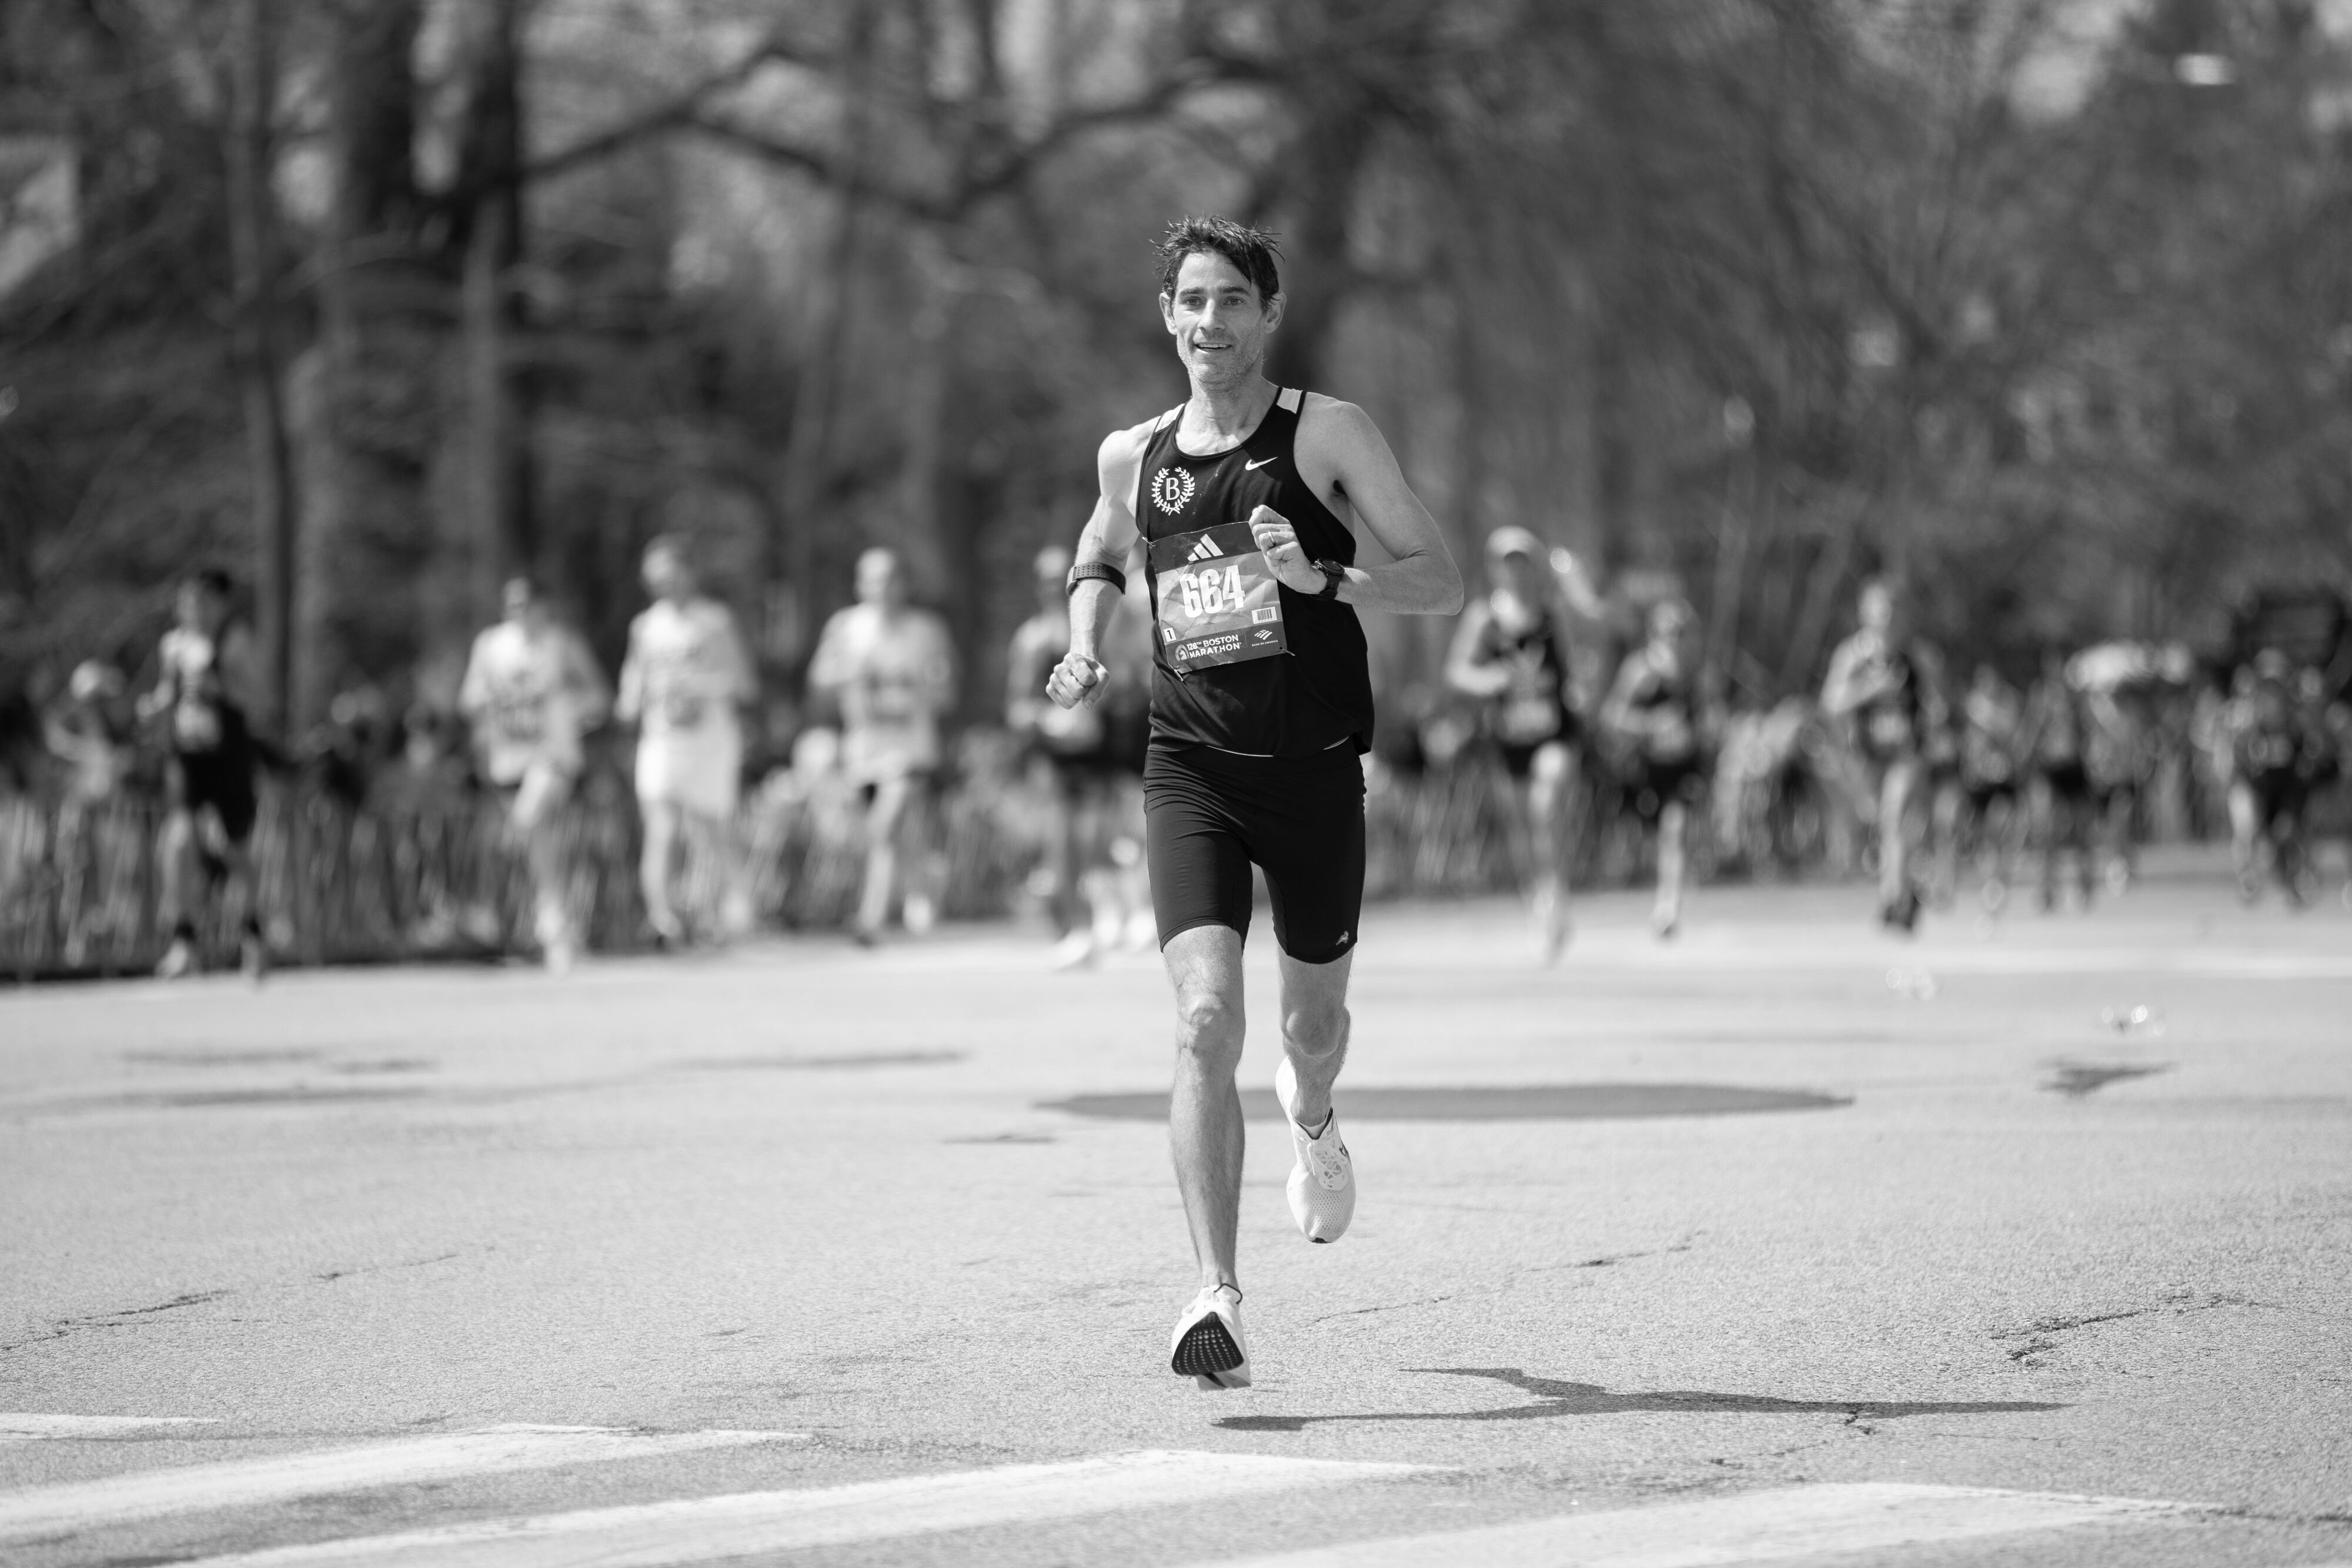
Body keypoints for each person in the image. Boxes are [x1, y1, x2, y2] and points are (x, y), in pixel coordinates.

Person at [1044, 216, 1462, 1391]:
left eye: (1233, 299)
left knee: (1308, 1032)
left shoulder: (1326, 433)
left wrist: (1323, 575)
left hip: (1313, 769)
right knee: (1201, 1020)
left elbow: (1440, 580)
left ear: (1267, 313)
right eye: (1192, 299)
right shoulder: (1133, 454)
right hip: (1190, 767)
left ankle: (1314, 1118)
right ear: (1165, 315)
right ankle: (1214, 1291)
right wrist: (1084, 642)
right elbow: (1098, 551)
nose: (1210, 321)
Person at [1443, 526, 1596, 961]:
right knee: (1520, 829)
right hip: (1508, 739)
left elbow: (1575, 662)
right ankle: (1539, 904)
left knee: (1545, 808)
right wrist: (1487, 680)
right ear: (1495, 568)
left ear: (1534, 567)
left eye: (1523, 561)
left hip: (1554, 733)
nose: (1515, 570)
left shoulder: (1552, 614)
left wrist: (1581, 687)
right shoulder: (1484, 618)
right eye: (1507, 562)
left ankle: (1556, 895)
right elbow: (1456, 671)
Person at [459, 577, 611, 970]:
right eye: (511, 604)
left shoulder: (562, 643)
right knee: (536, 841)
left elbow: (599, 695)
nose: (519, 612)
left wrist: (569, 708)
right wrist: (493, 698)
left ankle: (546, 921)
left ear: (544, 605)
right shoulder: (490, 645)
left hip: (554, 754)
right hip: (509, 759)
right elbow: (469, 699)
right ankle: (557, 926)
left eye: (526, 603)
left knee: (528, 818)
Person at [810, 546, 957, 945]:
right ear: (860, 585)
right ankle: (923, 879)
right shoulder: (845, 626)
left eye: (891, 579)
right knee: (883, 836)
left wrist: (924, 688)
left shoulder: (927, 629)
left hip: (911, 746)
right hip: (864, 748)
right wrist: (848, 674)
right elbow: (819, 679)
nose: (883, 588)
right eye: (874, 579)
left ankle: (870, 920)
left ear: (905, 584)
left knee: (885, 825)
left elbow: (946, 692)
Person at [617, 536, 757, 947]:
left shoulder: (715, 621)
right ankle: (662, 920)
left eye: (670, 575)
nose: (662, 585)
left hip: (710, 742)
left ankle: (737, 909)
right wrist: (629, 700)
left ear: (689, 573)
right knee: (661, 827)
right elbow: (634, 681)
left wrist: (698, 686)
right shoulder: (645, 627)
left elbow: (744, 684)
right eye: (654, 578)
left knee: (715, 830)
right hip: (662, 741)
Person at [139, 569, 269, 979]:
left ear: (221, 603)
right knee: (178, 840)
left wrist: (221, 689)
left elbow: (258, 697)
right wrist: (153, 708)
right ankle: (183, 940)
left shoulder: (235, 640)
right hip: (188, 756)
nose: (194, 608)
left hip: (229, 756)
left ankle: (252, 932)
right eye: (188, 600)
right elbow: (167, 691)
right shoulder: (173, 645)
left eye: (203, 600)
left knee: (237, 849)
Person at [1820, 578, 1945, 931]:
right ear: (1865, 614)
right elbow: (1830, 703)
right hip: (1866, 756)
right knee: (1880, 822)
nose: (1885, 620)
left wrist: (1935, 719)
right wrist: (1869, 690)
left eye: (1891, 612)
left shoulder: (1916, 656)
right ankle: (1909, 886)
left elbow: (1938, 703)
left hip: (1907, 754)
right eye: (1878, 612)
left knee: (1895, 813)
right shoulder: (1852, 656)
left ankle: (1893, 899)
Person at [1601, 599, 1709, 938]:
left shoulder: (1697, 674)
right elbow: (1611, 716)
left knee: (1675, 829)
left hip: (1682, 767)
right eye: (1669, 632)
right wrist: (1650, 726)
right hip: (1645, 768)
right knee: (1652, 836)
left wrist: (1701, 735)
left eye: (1682, 632)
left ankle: (1668, 905)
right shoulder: (1640, 670)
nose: (1676, 639)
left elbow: (1708, 720)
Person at [2019, 644, 2099, 911]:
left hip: (2074, 768)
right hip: (2048, 768)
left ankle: (2085, 884)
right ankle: (2047, 889)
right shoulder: (2040, 694)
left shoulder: (2076, 696)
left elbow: (2087, 729)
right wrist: (2023, 755)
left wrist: (2090, 758)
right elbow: (2031, 727)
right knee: (2045, 829)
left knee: (2082, 829)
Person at [1949, 664, 2026, 911]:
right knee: (1982, 835)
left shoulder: (2008, 703)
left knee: (1999, 828)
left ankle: (1998, 881)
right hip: (1979, 780)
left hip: (2003, 779)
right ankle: (1991, 881)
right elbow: (1966, 741)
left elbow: (2012, 734)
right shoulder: (1970, 704)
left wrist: (1989, 721)